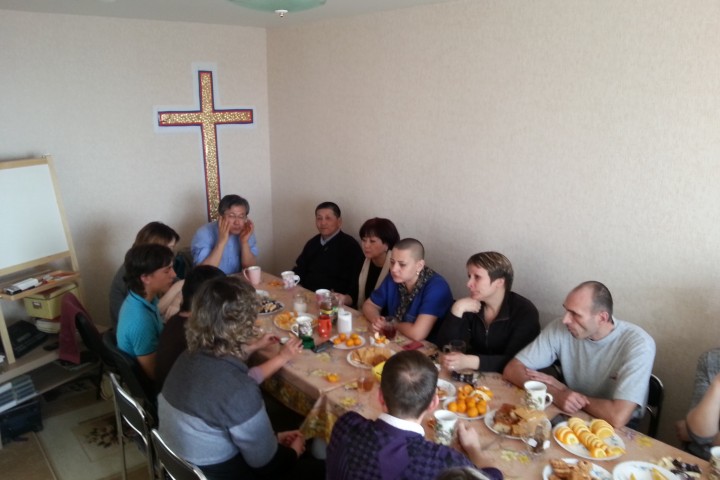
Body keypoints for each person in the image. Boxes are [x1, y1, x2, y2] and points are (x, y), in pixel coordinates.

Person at [158, 276, 321, 480]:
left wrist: (273, 439)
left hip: (178, 465)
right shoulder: (239, 389)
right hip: (215, 472)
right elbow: (269, 466)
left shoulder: (188, 356)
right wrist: (294, 452)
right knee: (321, 469)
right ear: (245, 326)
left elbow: (225, 404)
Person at [326, 350, 502, 480]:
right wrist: (474, 448)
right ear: (434, 403)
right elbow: (493, 477)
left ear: (380, 396)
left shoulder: (347, 424)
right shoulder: (445, 462)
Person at [503, 281, 656, 428]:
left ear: (602, 318)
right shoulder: (560, 328)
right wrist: (555, 393)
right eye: (566, 310)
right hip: (570, 413)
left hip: (616, 426)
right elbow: (512, 369)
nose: (565, 319)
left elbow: (618, 417)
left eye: (575, 314)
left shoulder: (639, 344)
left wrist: (566, 392)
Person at [155, 265, 303, 390]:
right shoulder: (201, 336)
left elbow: (225, 360)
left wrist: (255, 346)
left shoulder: (179, 321)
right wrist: (282, 357)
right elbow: (243, 382)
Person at [436, 252, 540, 373]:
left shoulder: (524, 312)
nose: (468, 284)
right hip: (475, 375)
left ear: (499, 282)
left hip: (509, 378)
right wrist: (457, 309)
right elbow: (446, 346)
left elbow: (517, 362)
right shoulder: (471, 305)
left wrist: (470, 361)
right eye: (469, 276)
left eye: (477, 277)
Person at [363, 238, 453, 342]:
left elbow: (418, 334)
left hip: (427, 347)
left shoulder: (437, 287)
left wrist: (391, 324)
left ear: (419, 266)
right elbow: (369, 305)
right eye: (392, 262)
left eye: (402, 264)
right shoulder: (395, 277)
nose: (394, 269)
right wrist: (377, 320)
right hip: (398, 338)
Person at [116, 244, 176, 381]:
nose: (174, 274)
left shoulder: (140, 297)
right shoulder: (141, 322)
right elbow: (156, 376)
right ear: (146, 278)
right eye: (167, 271)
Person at [108, 221, 184, 327]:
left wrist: (177, 300)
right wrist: (175, 289)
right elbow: (143, 315)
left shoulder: (157, 266)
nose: (172, 254)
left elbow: (183, 284)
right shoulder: (132, 273)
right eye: (170, 248)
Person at [292, 201, 364, 303]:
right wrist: (296, 284)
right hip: (307, 296)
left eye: (328, 218)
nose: (323, 223)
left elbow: (357, 282)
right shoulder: (312, 243)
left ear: (339, 221)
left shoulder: (350, 246)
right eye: (319, 218)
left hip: (333, 301)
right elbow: (300, 268)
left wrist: (346, 298)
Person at [191, 194, 258, 275]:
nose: (237, 222)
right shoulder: (203, 233)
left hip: (237, 280)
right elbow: (203, 272)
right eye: (232, 216)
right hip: (211, 281)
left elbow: (250, 268)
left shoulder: (246, 232)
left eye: (241, 216)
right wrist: (221, 242)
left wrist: (244, 242)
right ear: (221, 217)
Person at [677, 348, 720, 459]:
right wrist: (718, 383)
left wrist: (692, 435)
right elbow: (699, 429)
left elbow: (691, 433)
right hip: (698, 457)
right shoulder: (711, 360)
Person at [351, 217, 400, 308]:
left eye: (372, 241)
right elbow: (353, 295)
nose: (366, 245)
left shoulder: (395, 268)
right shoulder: (361, 259)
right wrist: (343, 298)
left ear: (387, 245)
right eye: (364, 240)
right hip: (361, 312)